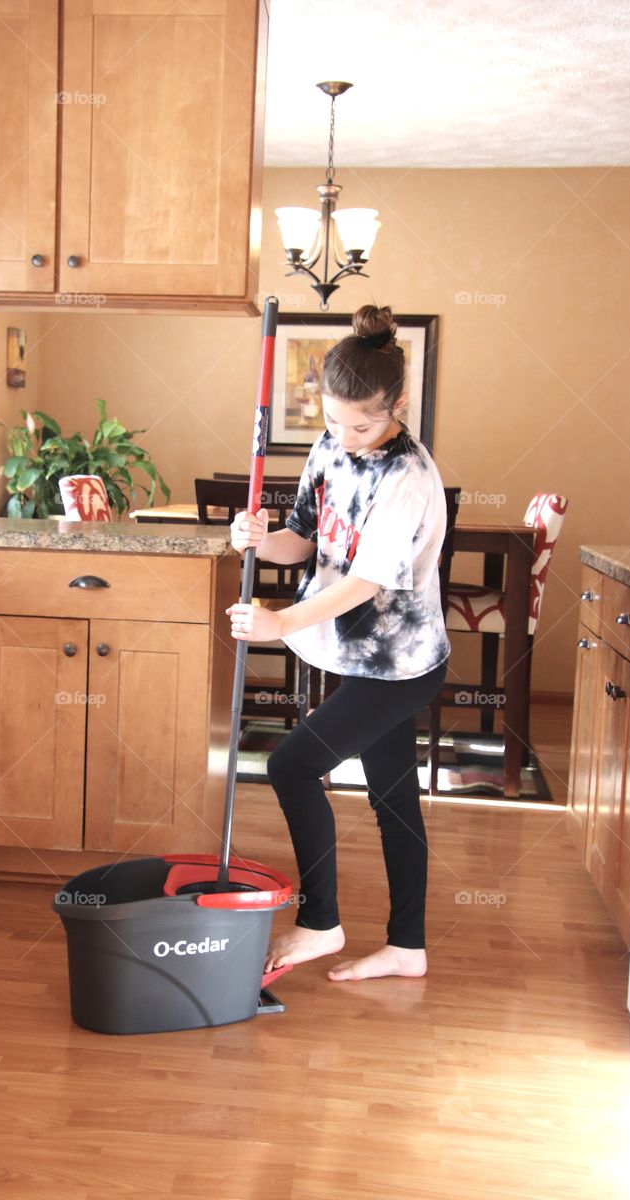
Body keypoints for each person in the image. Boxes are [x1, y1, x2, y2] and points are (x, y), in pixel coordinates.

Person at [226, 304, 450, 982]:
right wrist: (259, 540)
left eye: (363, 423)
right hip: (357, 656)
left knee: (289, 766)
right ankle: (405, 947)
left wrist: (280, 623)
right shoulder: (329, 447)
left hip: (399, 663)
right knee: (392, 799)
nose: (346, 436)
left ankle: (319, 923)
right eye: (332, 420)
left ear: (399, 404)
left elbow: (363, 581)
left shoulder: (407, 479)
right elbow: (302, 538)